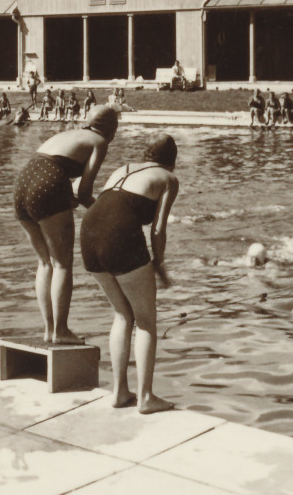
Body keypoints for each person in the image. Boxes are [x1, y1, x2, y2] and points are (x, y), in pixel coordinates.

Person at [80, 133, 180, 414]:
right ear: (173, 161)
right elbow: (158, 229)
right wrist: (159, 264)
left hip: (88, 234)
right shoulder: (169, 179)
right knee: (146, 321)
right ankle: (145, 397)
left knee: (123, 314)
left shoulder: (121, 169)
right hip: (119, 237)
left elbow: (107, 206)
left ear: (146, 155)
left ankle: (119, 391)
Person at [14, 105, 118, 344]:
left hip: (23, 181)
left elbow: (63, 178)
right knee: (62, 263)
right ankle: (61, 331)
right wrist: (106, 216)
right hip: (48, 182)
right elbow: (83, 192)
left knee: (44, 262)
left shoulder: (68, 134)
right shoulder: (99, 142)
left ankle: (49, 330)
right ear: (112, 129)